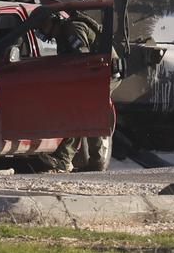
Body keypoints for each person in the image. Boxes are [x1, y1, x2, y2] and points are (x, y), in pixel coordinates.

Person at [35, 10, 122, 172]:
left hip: (106, 73)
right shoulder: (62, 36)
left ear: (54, 22)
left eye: (43, 26)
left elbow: (84, 59)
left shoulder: (73, 29)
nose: (42, 30)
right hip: (94, 74)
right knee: (87, 111)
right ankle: (93, 161)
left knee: (86, 110)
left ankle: (66, 158)